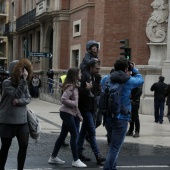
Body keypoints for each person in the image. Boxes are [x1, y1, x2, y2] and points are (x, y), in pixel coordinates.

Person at [103, 57, 144, 170]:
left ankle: (113, 168)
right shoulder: (128, 81)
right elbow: (140, 80)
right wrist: (134, 69)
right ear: (126, 69)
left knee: (112, 145)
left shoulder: (106, 79)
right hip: (122, 117)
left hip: (108, 116)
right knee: (115, 148)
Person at [48, 67, 87, 168]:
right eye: (79, 73)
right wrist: (74, 103)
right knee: (74, 135)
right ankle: (76, 160)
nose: (81, 75)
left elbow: (75, 105)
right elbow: (63, 99)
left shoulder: (74, 86)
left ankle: (53, 157)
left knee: (63, 135)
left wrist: (79, 115)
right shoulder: (71, 87)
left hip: (68, 113)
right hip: (66, 113)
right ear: (75, 75)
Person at [0, 59, 33, 170]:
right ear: (13, 70)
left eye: (23, 69)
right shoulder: (6, 82)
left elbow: (28, 98)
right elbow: (17, 94)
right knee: (5, 147)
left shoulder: (23, 82)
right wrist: (23, 82)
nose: (22, 72)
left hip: (22, 120)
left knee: (24, 146)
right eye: (20, 69)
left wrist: (19, 102)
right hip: (7, 120)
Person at [78, 61, 106, 165]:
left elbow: (94, 94)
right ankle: (98, 155)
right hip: (85, 108)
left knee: (83, 132)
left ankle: (78, 152)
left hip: (92, 108)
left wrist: (98, 88)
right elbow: (79, 91)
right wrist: (86, 88)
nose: (98, 71)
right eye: (96, 69)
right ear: (91, 67)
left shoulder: (95, 77)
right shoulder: (85, 77)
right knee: (92, 132)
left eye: (99, 69)